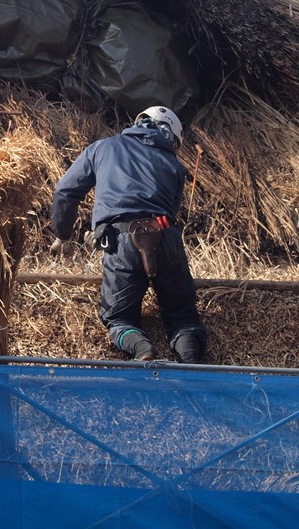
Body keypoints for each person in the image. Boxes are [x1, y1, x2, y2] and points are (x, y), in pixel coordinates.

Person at [50, 106, 207, 363]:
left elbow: (65, 192)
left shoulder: (102, 148)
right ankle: (189, 360)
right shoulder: (174, 165)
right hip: (166, 237)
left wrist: (63, 234)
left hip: (122, 240)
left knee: (118, 317)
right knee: (183, 316)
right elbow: (172, 211)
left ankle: (141, 348)